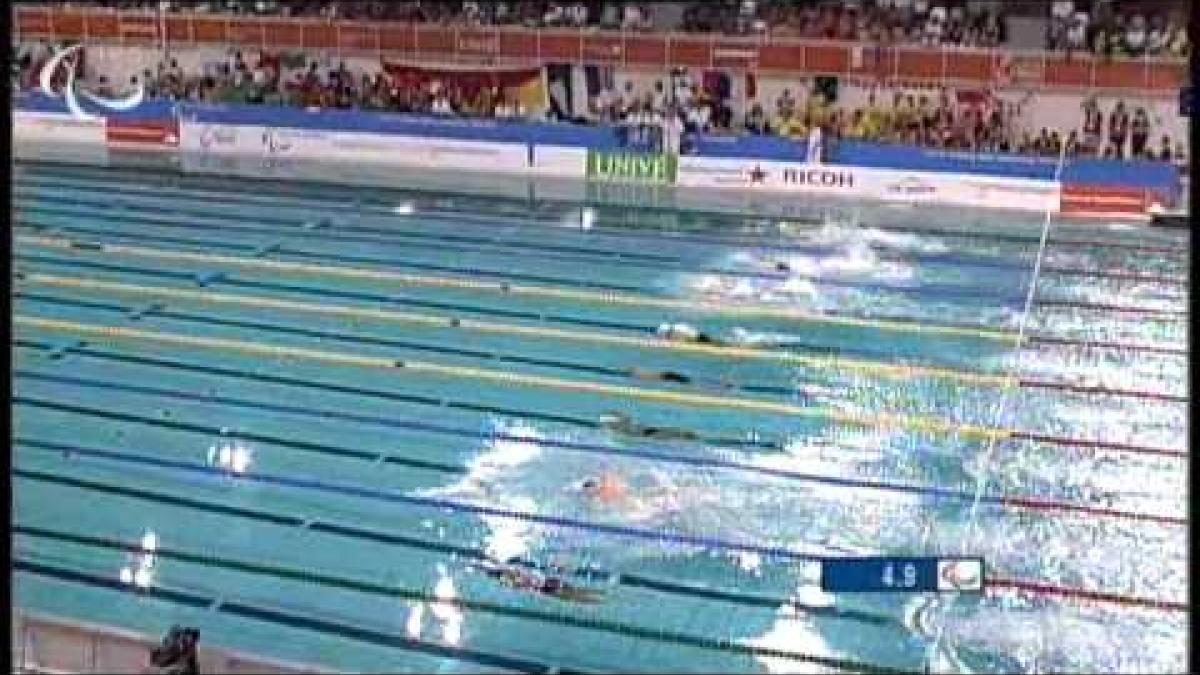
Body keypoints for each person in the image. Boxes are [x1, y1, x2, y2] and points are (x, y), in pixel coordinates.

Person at [478, 561, 604, 603]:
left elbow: (521, 585)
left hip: (543, 587)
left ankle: (597, 599)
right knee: (574, 592)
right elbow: (523, 578)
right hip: (546, 582)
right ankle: (601, 595)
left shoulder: (506, 578)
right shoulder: (511, 570)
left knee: (573, 596)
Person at [598, 411, 701, 442]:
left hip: (645, 432)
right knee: (670, 433)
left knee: (670, 433)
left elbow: (626, 417)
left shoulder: (620, 429)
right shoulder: (620, 429)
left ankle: (686, 435)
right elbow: (626, 417)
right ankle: (686, 435)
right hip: (645, 433)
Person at [655, 322, 725, 346]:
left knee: (713, 343)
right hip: (698, 335)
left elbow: (681, 338)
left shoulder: (677, 330)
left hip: (697, 337)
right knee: (714, 341)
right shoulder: (677, 327)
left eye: (666, 335)